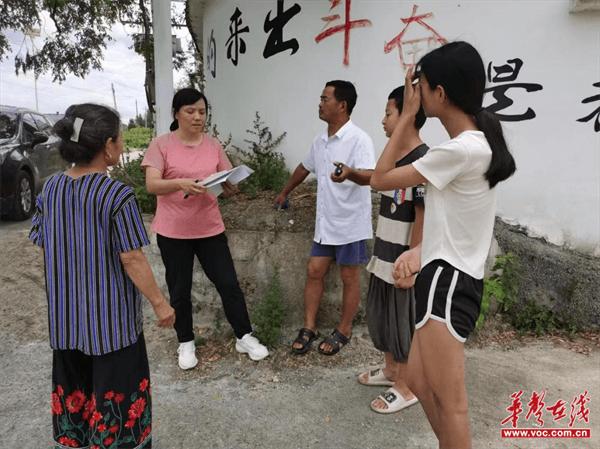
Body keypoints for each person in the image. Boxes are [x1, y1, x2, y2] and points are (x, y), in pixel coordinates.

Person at [371, 42, 516, 449]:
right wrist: (421, 252)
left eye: (422, 87)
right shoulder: (476, 145)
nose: (419, 93)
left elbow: (380, 178)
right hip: (446, 275)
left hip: (448, 284)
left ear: (440, 94)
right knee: (416, 379)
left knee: (452, 405)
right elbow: (463, 219)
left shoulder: (460, 149)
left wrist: (407, 118)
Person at [29, 103, 175, 449]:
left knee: (77, 393)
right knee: (117, 400)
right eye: (120, 138)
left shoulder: (50, 190)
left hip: (66, 322)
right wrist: (160, 304)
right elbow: (132, 258)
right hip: (112, 326)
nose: (122, 144)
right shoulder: (116, 195)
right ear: (108, 146)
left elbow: (41, 241)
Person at [142, 88, 269, 370]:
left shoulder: (212, 145)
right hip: (173, 231)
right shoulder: (161, 145)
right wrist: (181, 183)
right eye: (190, 111)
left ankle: (243, 335)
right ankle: (185, 342)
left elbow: (225, 177)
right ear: (177, 114)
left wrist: (231, 184)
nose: (197, 117)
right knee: (180, 289)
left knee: (228, 283)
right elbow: (152, 184)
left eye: (202, 111)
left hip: (209, 228)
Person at [275, 80, 376, 356]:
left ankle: (344, 330)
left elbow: (370, 176)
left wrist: (350, 173)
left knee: (349, 277)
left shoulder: (359, 139)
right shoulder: (320, 141)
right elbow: (304, 167)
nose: (320, 103)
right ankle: (309, 327)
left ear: (342, 105)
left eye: (325, 98)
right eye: (321, 98)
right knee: (314, 270)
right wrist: (285, 191)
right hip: (326, 222)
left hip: (350, 222)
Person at [357, 86, 427, 414]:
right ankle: (391, 371)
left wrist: (413, 261)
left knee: (403, 323)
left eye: (389, 112)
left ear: (408, 115)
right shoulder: (393, 160)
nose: (383, 120)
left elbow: (423, 215)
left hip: (403, 259)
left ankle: (408, 385)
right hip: (384, 252)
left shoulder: (424, 161)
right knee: (383, 317)